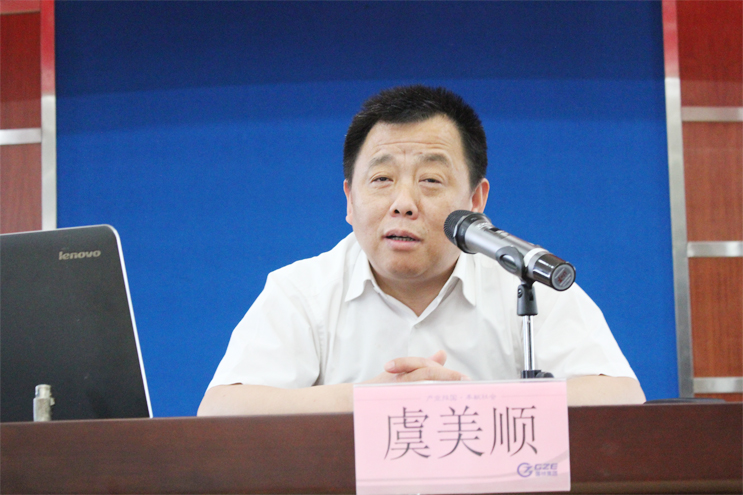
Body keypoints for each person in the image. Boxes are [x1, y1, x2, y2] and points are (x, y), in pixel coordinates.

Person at [198, 85, 645, 416]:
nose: (404, 203)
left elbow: (621, 395)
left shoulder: (524, 275)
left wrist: (468, 405)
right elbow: (221, 409)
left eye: (431, 180)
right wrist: (369, 402)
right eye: (382, 180)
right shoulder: (301, 290)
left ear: (476, 200)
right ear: (350, 201)